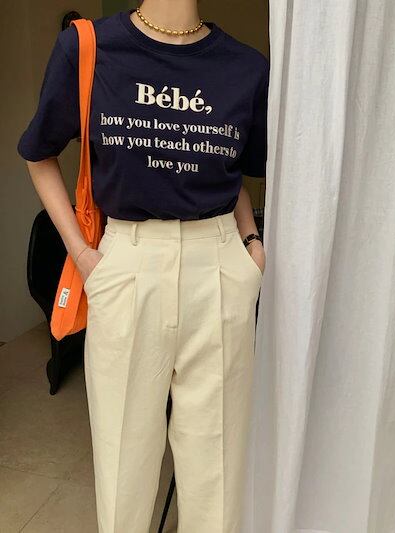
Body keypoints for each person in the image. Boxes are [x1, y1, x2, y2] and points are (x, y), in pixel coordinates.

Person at [17, 1, 269, 531]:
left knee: (218, 476)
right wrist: (83, 256)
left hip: (219, 263)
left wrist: (250, 246)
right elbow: (39, 154)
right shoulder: (88, 48)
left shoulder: (245, 67)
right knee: (123, 469)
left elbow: (235, 175)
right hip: (127, 262)